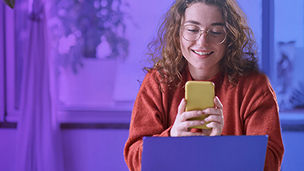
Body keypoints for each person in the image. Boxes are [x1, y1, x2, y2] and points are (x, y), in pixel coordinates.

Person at [124, 0, 284, 170]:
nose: (202, 42)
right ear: (178, 33)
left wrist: (221, 144)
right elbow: (134, 159)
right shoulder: (157, 82)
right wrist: (171, 138)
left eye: (215, 32)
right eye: (192, 30)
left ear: (229, 37)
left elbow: (270, 163)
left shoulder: (254, 86)